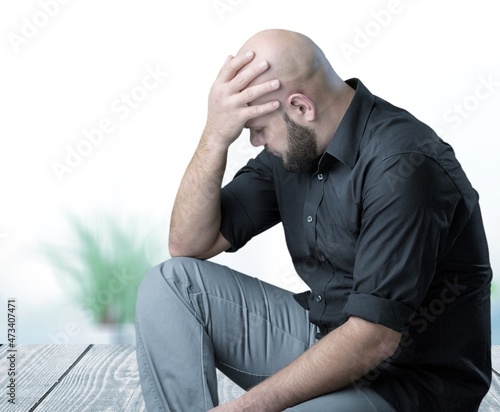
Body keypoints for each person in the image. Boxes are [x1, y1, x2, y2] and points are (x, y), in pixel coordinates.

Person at [135, 29, 492, 411]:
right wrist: (215, 135)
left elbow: (373, 338)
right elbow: (189, 245)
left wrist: (245, 407)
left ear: (302, 107)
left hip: (406, 386)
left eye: (258, 130)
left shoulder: (401, 165)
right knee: (170, 285)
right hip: (327, 339)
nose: (256, 142)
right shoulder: (297, 145)